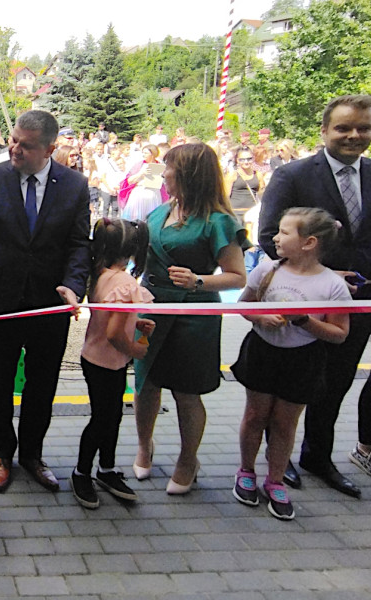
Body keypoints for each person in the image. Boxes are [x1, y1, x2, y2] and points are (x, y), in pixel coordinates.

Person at [258, 94, 371, 496]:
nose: (354, 135)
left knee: (335, 382)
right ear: (324, 130)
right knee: (294, 383)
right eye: (344, 128)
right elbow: (270, 238)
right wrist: (317, 273)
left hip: (363, 300)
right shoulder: (294, 176)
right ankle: (277, 460)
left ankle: (317, 456)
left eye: (363, 128)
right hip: (307, 301)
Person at [0, 109, 91, 494]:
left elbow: (78, 244)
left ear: (50, 149)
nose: (15, 149)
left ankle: (33, 455)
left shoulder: (74, 185)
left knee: (42, 387)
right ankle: (3, 453)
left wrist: (73, 286)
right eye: (13, 140)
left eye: (26, 145)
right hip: (0, 305)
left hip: (49, 307)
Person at [132, 143, 246, 494]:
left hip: (194, 315)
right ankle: (143, 446)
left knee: (186, 392)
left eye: (169, 168)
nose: (164, 174)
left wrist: (199, 281)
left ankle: (187, 460)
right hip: (152, 307)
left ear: (189, 175)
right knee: (145, 383)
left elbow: (237, 276)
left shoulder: (219, 222)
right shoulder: (159, 212)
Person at [232, 208, 351, 520]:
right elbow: (244, 306)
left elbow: (339, 334)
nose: (275, 237)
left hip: (303, 360)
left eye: (285, 232)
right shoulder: (266, 270)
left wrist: (305, 322)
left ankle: (275, 479)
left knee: (285, 422)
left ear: (309, 242)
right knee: (256, 415)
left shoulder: (332, 286)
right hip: (263, 352)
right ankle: (246, 471)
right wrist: (261, 316)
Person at [70, 218, 155, 510]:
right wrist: (134, 348)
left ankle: (105, 469)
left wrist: (136, 322)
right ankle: (83, 471)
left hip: (94, 357)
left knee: (110, 416)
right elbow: (115, 334)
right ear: (133, 250)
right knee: (103, 419)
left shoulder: (101, 275)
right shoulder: (125, 284)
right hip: (109, 360)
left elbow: (112, 319)